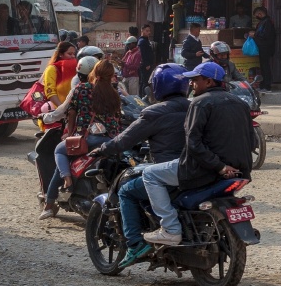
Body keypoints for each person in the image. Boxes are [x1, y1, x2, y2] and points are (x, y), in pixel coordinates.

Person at [140, 61, 252, 247]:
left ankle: (170, 229)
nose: (191, 85)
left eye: (195, 80)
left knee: (149, 174)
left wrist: (221, 167)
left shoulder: (200, 103)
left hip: (204, 171)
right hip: (239, 171)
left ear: (208, 82)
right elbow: (251, 140)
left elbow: (193, 143)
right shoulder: (239, 103)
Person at [92, 64, 192, 266]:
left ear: (157, 86)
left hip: (169, 172)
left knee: (127, 190)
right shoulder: (195, 106)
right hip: (198, 169)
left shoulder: (154, 112)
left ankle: (135, 244)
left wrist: (102, 149)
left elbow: (124, 140)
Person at [40, 58, 125, 219]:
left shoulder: (82, 88)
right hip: (111, 141)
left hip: (88, 140)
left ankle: (58, 193)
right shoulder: (114, 93)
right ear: (111, 76)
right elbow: (118, 117)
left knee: (59, 151)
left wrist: (71, 134)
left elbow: (70, 112)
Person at [33, 40, 78, 197]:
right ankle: (49, 193)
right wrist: (63, 109)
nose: (72, 57)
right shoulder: (52, 69)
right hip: (57, 115)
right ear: (60, 54)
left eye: (74, 54)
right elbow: (50, 92)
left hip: (74, 114)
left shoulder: (77, 68)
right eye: (69, 54)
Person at [250, 7, 277, 91]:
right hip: (262, 47)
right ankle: (263, 85)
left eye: (257, 15)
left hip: (266, 47)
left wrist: (254, 35)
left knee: (265, 67)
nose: (256, 17)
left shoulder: (267, 22)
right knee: (263, 66)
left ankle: (267, 86)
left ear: (260, 14)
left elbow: (265, 35)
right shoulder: (263, 22)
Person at [137, 23, 156, 99]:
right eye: (147, 31)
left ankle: (143, 97)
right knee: (145, 82)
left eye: (149, 31)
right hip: (145, 66)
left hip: (148, 65)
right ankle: (143, 98)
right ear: (142, 31)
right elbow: (142, 54)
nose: (149, 32)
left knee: (144, 82)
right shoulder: (142, 41)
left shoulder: (146, 40)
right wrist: (147, 64)